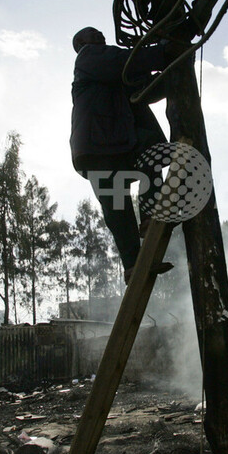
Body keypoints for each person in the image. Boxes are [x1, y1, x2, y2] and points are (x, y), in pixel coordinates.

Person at [70, 27, 181, 282]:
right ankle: (135, 256)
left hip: (112, 144)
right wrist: (164, 52)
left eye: (100, 34)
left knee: (118, 205)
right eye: (93, 35)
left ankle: (138, 250)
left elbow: (143, 88)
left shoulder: (112, 72)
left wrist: (172, 72)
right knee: (117, 204)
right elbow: (126, 61)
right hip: (100, 147)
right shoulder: (89, 57)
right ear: (81, 43)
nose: (100, 36)